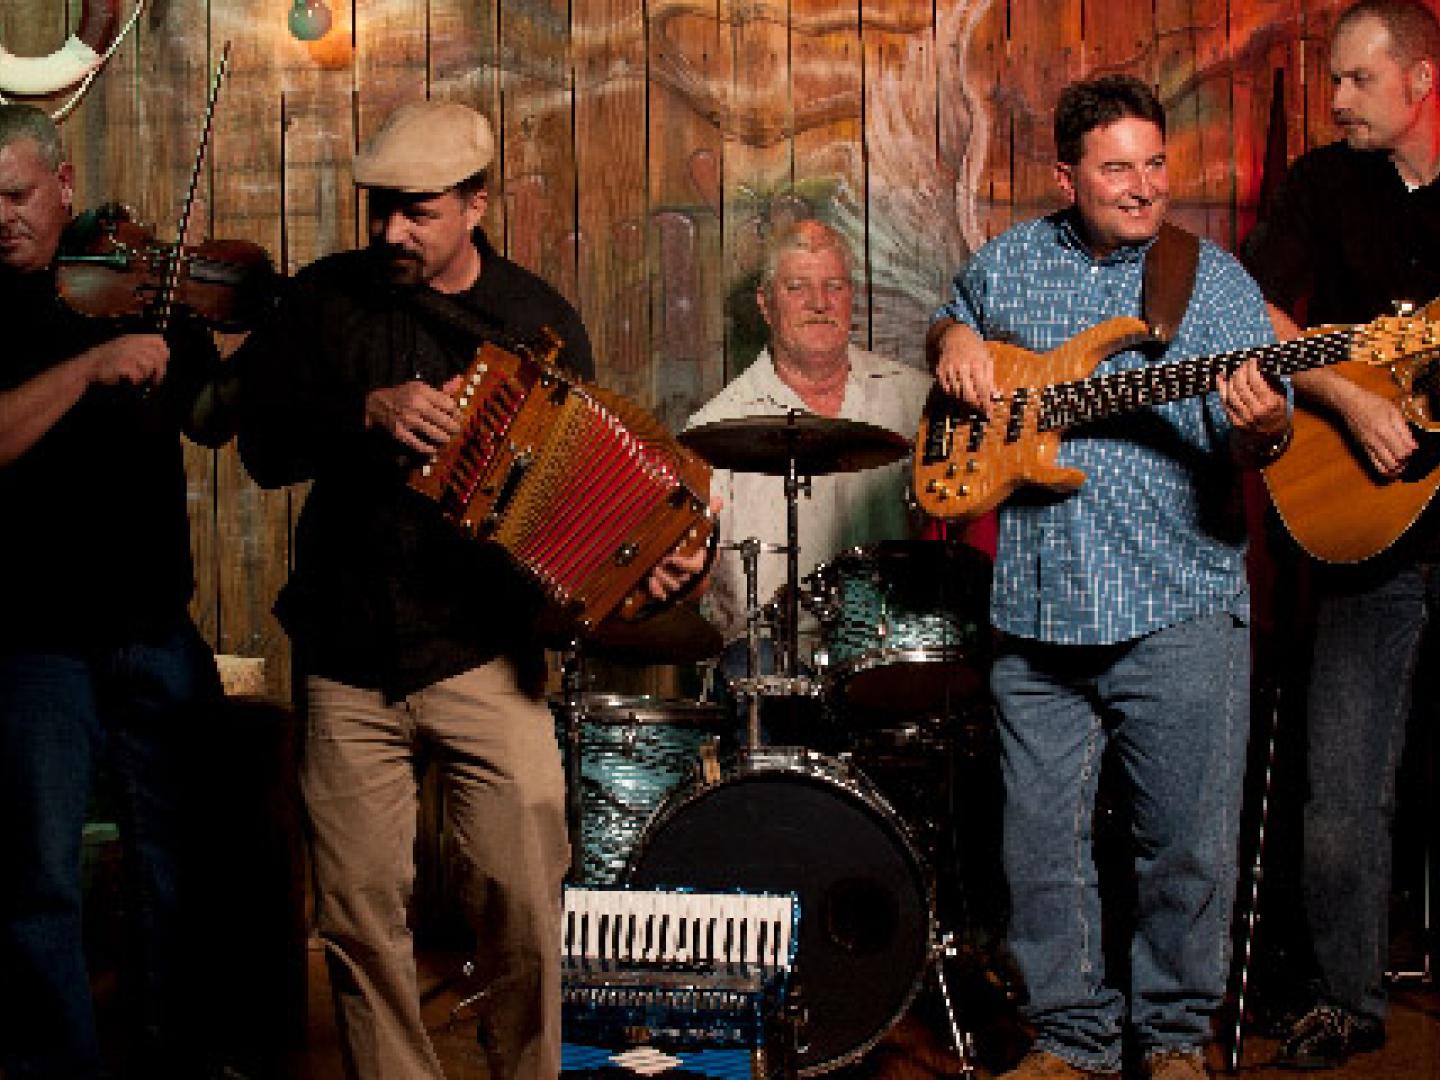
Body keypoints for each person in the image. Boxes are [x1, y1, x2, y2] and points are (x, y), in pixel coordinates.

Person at [237, 99, 700, 1080]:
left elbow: (582, 516)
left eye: (417, 211)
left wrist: (644, 565)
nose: (389, 232)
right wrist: (359, 411)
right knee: (359, 916)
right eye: (378, 210)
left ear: (477, 203)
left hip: (483, 655)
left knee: (527, 904)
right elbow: (263, 449)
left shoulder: (537, 322)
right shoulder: (324, 301)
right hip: (348, 657)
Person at [928, 74, 1290, 1080]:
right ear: (1066, 174)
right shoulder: (1005, 265)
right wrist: (955, 340)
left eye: (1156, 164)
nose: (1142, 188)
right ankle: (1070, 1041)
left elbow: (1259, 434)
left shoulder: (1207, 282)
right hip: (1039, 611)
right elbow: (951, 319)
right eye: (1117, 167)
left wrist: (1266, 425)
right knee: (1040, 853)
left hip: (1177, 600)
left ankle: (1174, 1042)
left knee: (1186, 852)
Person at [0, 103, 233, 1078]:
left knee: (184, 873)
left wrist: (258, 341)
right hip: (29, 639)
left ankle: (180, 1059)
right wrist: (91, 365)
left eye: (15, 196)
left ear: (62, 186)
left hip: (151, 624)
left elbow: (221, 426)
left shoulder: (148, 291)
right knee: (37, 883)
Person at [1240, 0, 1440, 1068]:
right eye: (1331, 81)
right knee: (1342, 781)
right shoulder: (1322, 184)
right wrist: (1352, 402)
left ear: (1421, 81)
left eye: (1359, 81)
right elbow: (1243, 301)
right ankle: (1348, 1001)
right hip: (1372, 523)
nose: (1337, 101)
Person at [685, 218, 934, 665]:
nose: (819, 303)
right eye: (798, 287)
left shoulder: (918, 402)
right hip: (769, 663)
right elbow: (691, 573)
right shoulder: (715, 428)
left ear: (852, 297)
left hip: (890, 655)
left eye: (834, 286)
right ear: (765, 304)